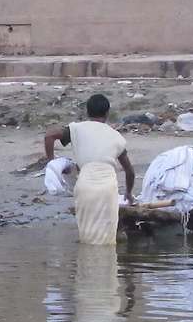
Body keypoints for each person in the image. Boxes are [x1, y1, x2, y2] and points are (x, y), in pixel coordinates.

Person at [43, 94, 135, 245]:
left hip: (84, 185)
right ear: (107, 113)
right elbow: (130, 171)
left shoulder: (76, 129)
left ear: (87, 112)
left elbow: (49, 135)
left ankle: (87, 266)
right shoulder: (117, 137)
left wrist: (52, 161)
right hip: (107, 188)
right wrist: (129, 194)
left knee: (87, 236)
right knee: (107, 238)